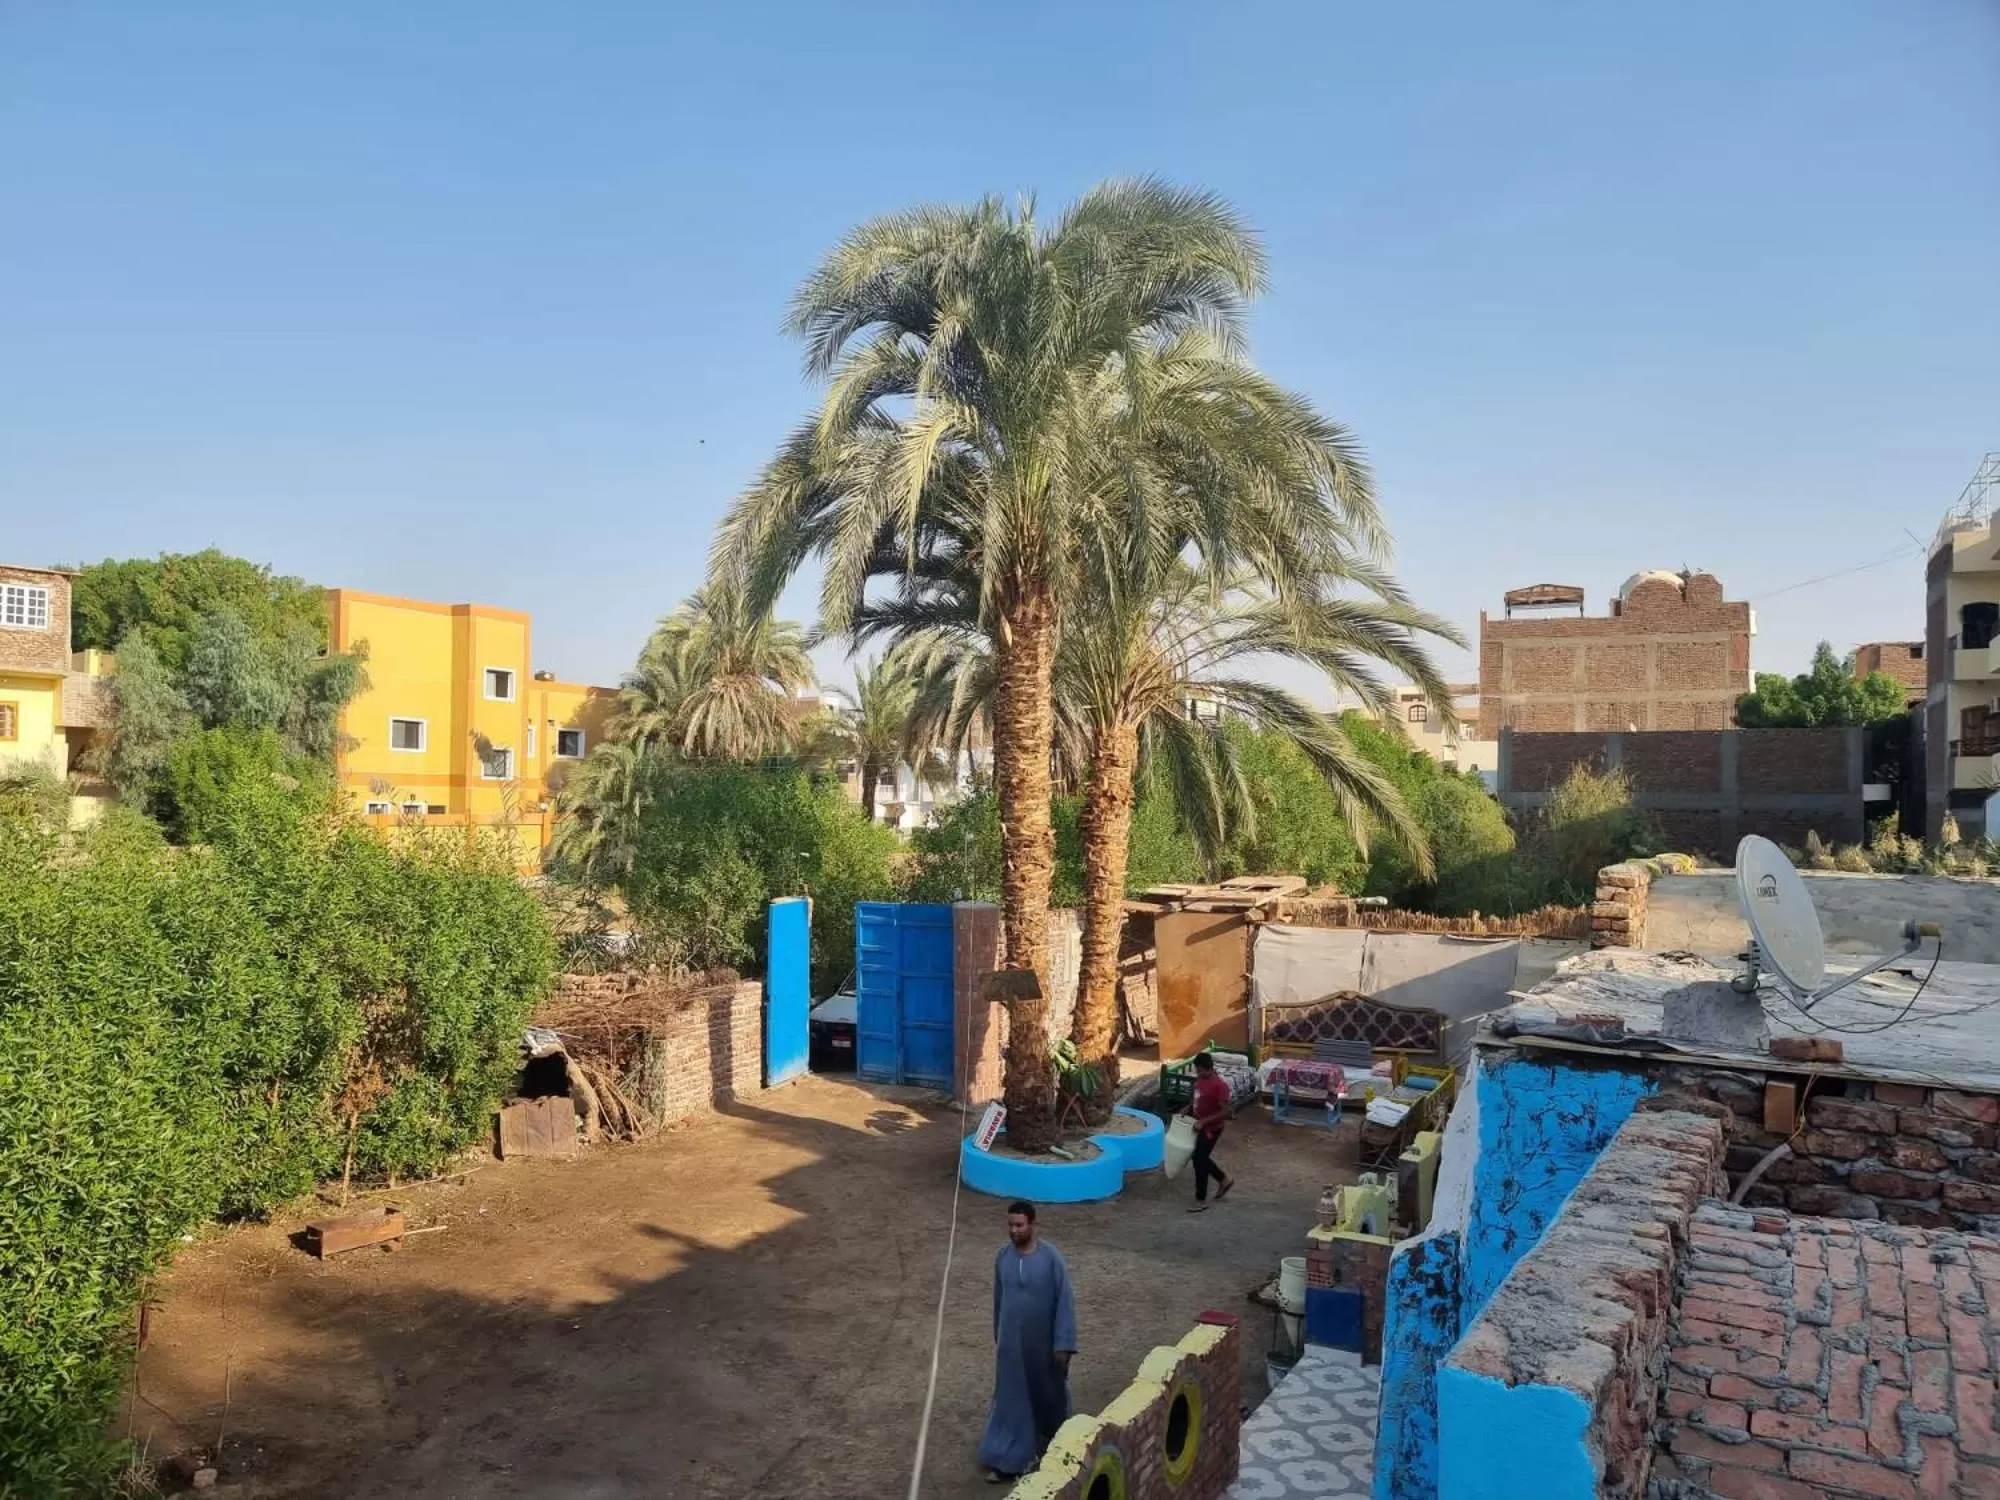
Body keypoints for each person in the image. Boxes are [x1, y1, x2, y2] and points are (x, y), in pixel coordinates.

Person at [977, 1199, 1078, 1483]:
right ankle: (1009, 1458)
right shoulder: (1003, 1258)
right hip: (1012, 1349)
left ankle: (1055, 1448)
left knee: (1050, 1398)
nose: (1013, 1230)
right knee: (1012, 1400)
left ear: (1033, 1224)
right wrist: (1000, 1336)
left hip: (1044, 1348)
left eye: (1019, 1225)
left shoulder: (1051, 1259)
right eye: (1010, 1225)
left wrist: (1063, 1344)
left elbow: (1065, 1303)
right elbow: (1000, 1301)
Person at [1185, 1051, 1235, 1212]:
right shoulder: (1201, 1079)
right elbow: (1197, 1096)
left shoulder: (1220, 1086)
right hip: (1198, 1124)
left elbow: (1226, 1112)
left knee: (1199, 1161)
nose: (1198, 1074)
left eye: (1200, 1070)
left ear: (1208, 1069)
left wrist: (1204, 1121)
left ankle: (1201, 1200)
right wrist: (1188, 1108)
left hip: (1211, 1129)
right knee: (1200, 1158)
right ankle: (1223, 1179)